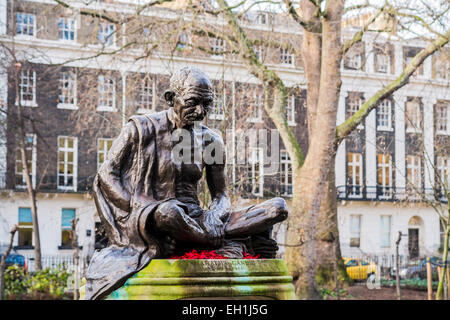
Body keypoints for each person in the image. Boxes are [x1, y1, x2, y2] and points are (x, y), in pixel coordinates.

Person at [85, 67, 288, 300]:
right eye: (192, 102)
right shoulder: (141, 129)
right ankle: (208, 241)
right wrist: (137, 207)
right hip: (155, 216)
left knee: (277, 208)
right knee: (170, 212)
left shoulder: (211, 140)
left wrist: (214, 215)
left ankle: (195, 240)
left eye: (207, 103)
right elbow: (106, 175)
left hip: (197, 220)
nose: (200, 111)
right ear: (172, 98)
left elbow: (221, 195)